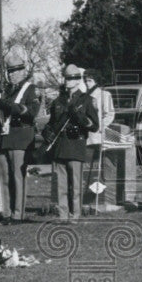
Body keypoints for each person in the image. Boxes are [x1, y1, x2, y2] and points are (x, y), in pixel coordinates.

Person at [43, 64, 100, 221]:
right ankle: (63, 216)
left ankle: (75, 215)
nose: (67, 81)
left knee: (75, 185)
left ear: (77, 81)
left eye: (71, 78)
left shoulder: (87, 100)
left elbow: (95, 126)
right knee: (61, 185)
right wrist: (46, 131)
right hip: (60, 146)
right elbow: (52, 122)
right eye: (66, 78)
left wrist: (80, 118)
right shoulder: (58, 101)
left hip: (76, 145)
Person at [0, 55, 40, 223]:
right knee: (4, 177)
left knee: (17, 177)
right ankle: (6, 213)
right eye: (10, 71)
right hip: (4, 137)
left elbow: (32, 112)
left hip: (20, 137)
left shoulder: (30, 89)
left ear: (23, 71)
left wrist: (13, 107)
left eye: (15, 71)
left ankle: (18, 213)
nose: (12, 75)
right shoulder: (5, 90)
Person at [82, 68, 115, 212]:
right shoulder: (84, 96)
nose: (87, 83)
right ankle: (87, 202)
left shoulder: (104, 94)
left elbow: (109, 114)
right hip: (86, 138)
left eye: (89, 80)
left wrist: (100, 126)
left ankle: (98, 202)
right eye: (85, 81)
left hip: (98, 137)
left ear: (96, 81)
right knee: (87, 171)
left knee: (98, 171)